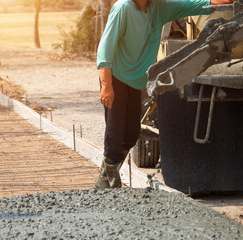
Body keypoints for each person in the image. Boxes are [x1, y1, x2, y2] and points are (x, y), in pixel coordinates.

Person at [95, 0, 233, 189]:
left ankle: (108, 172)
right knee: (115, 131)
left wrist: (213, 2)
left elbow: (190, 5)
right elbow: (104, 50)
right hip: (116, 78)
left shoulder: (158, 8)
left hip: (135, 81)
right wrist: (106, 85)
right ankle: (106, 179)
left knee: (132, 134)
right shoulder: (123, 8)